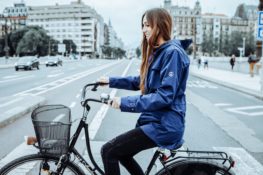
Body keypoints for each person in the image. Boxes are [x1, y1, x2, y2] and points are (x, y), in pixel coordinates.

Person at [98, 8, 191, 175]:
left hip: (164, 124)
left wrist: (124, 102)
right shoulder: (158, 53)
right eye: (143, 25)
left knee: (109, 150)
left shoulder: (172, 54)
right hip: (156, 120)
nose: (144, 29)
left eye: (148, 25)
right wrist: (111, 81)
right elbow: (141, 81)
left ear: (161, 25)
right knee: (122, 153)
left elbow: (164, 96)